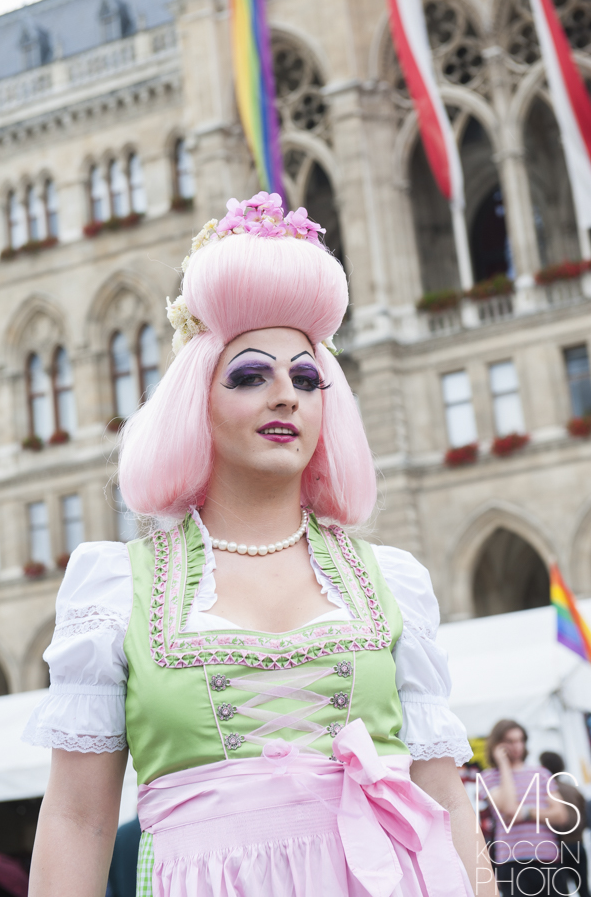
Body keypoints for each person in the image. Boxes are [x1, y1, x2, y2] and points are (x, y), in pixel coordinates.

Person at [25, 192, 497, 897]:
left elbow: (445, 798)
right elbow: (77, 819)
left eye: (307, 378)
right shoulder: (114, 591)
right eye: (252, 375)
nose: (287, 395)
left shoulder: (391, 583)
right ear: (198, 401)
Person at [482, 720, 569, 897]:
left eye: (520, 740)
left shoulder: (541, 773)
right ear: (498, 744)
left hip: (547, 856)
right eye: (511, 741)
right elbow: (508, 807)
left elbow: (561, 815)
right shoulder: (488, 777)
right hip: (511, 860)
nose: (517, 746)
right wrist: (504, 765)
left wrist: (526, 813)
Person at [540, 750, 590, 897]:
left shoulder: (544, 791)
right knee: (584, 889)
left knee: (561, 890)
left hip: (557, 848)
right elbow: (585, 816)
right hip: (578, 845)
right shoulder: (574, 790)